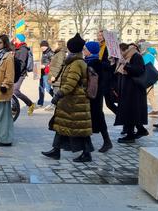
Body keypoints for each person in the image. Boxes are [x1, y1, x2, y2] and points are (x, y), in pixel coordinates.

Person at [42, 33, 94, 162]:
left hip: (76, 101)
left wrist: (58, 95)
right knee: (61, 125)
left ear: (71, 48)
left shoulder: (76, 63)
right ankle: (56, 150)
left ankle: (87, 154)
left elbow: (71, 84)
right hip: (70, 101)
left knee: (80, 128)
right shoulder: (73, 61)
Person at [114, 43, 148, 143]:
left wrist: (125, 64)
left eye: (119, 51)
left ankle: (130, 135)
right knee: (130, 111)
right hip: (127, 89)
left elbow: (139, 70)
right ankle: (141, 130)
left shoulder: (136, 56)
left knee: (131, 111)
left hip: (134, 90)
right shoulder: (125, 57)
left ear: (124, 50)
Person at [83, 41, 112, 153]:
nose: (84, 51)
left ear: (91, 51)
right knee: (94, 117)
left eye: (85, 49)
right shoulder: (91, 62)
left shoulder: (94, 64)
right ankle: (99, 142)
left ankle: (106, 141)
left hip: (94, 95)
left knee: (96, 117)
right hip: (95, 94)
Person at [97, 30, 118, 114]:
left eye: (101, 35)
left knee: (109, 103)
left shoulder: (109, 47)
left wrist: (97, 62)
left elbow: (111, 64)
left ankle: (125, 119)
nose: (99, 37)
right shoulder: (99, 46)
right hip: (101, 78)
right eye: (98, 35)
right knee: (104, 104)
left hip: (107, 80)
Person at [13, 37, 35, 116]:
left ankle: (30, 104)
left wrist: (17, 72)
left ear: (19, 40)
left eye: (15, 39)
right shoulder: (17, 48)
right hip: (15, 72)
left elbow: (22, 63)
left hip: (20, 73)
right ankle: (14, 107)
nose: (14, 40)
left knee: (15, 91)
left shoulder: (23, 49)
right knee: (11, 91)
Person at [140, 42, 158, 117]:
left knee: (150, 95)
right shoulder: (150, 55)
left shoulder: (147, 55)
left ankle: (155, 110)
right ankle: (154, 110)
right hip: (150, 77)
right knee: (149, 94)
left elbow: (146, 66)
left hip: (148, 77)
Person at [37, 40, 54, 106]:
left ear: (47, 46)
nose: (42, 48)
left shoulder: (50, 53)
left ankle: (56, 99)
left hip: (47, 73)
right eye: (41, 46)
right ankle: (40, 102)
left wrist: (45, 66)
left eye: (44, 46)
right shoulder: (44, 52)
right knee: (41, 87)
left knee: (48, 88)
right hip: (42, 72)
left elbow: (53, 63)